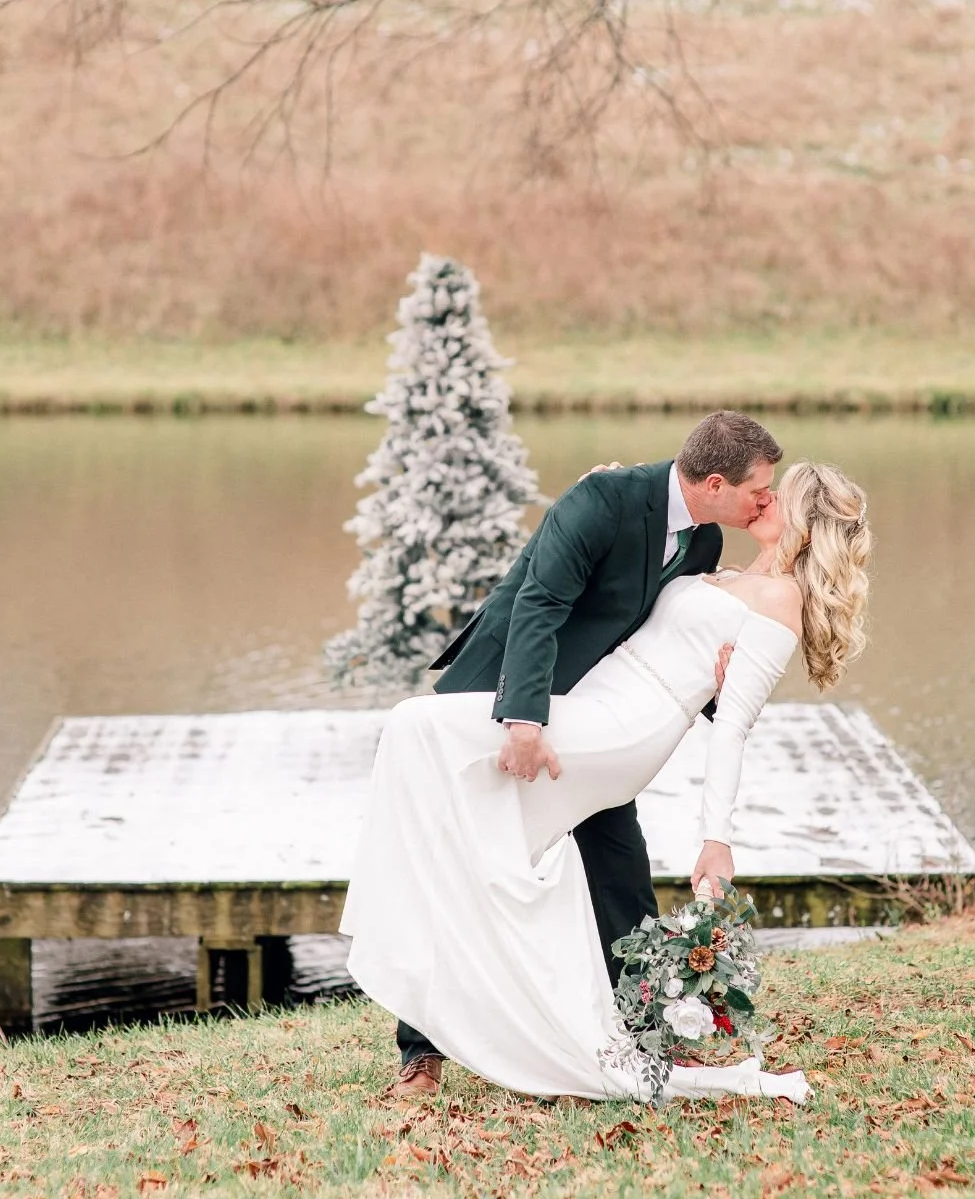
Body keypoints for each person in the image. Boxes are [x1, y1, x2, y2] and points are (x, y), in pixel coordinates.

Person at [340, 437, 872, 1102]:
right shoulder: (658, 526)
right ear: (715, 483)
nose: (763, 499)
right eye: (759, 488)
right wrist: (527, 714)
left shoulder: (763, 590)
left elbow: (731, 722)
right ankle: (437, 1044)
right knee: (458, 818)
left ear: (800, 521)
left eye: (776, 493)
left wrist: (717, 837)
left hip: (617, 727)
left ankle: (637, 1029)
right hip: (564, 696)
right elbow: (559, 604)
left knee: (421, 734)